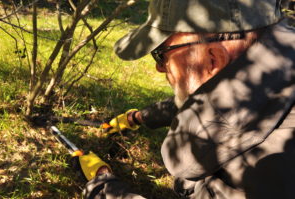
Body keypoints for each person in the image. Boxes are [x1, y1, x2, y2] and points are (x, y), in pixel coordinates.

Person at [83, 0, 295, 198]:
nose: (159, 67)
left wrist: (102, 185)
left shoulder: (265, 173)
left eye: (161, 53)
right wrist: (137, 118)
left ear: (213, 59)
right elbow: (212, 102)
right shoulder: (277, 66)